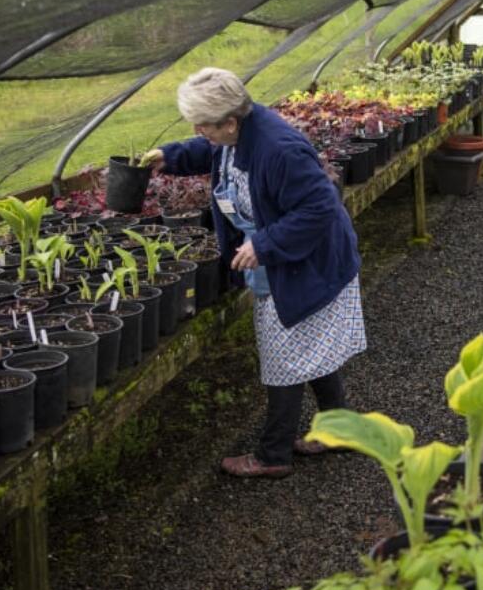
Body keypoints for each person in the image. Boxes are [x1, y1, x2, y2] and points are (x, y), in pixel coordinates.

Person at [142, 67, 366, 478]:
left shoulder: (279, 150)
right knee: (307, 349)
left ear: (230, 121)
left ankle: (272, 455)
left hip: (307, 266)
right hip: (285, 262)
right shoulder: (238, 131)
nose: (199, 131)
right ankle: (343, 429)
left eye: (204, 125)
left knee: (284, 360)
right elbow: (210, 149)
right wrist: (170, 156)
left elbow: (321, 208)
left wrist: (263, 244)